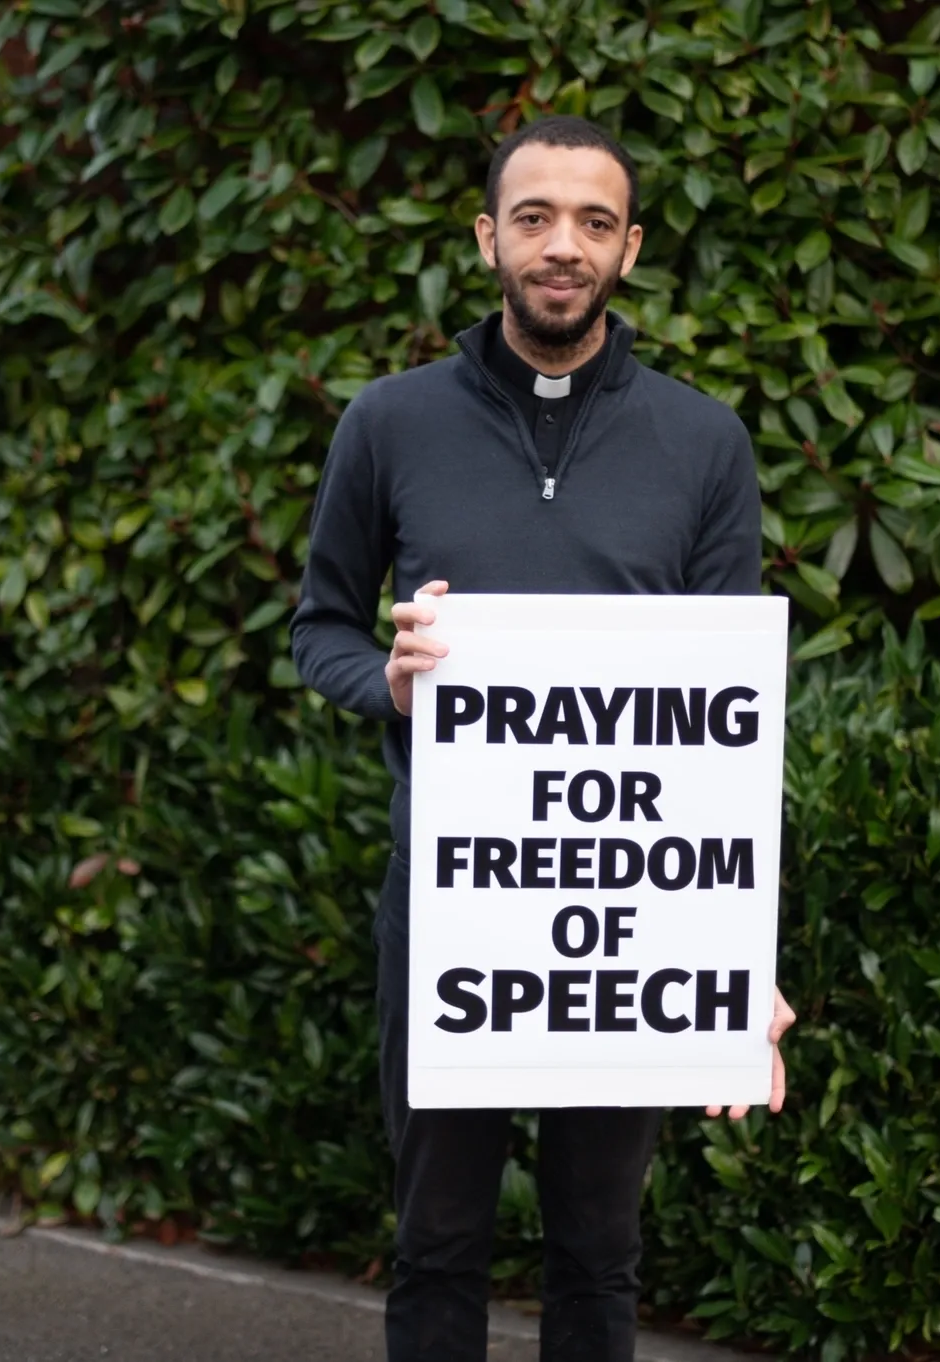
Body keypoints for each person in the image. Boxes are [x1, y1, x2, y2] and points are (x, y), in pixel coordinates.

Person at [290, 114, 796, 1362]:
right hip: (452, 911)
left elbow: (727, 728)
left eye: (591, 222)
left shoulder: (703, 443)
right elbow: (320, 635)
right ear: (486, 239)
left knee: (597, 1256)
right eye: (532, 218)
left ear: (628, 249)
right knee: (437, 1244)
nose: (559, 246)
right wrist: (392, 687)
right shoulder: (390, 423)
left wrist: (738, 960)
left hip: (626, 925)